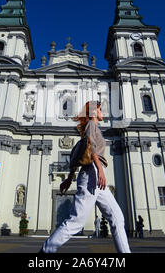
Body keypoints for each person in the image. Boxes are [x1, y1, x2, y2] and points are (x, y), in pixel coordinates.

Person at [40, 101, 131, 253]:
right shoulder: (91, 124)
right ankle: (45, 251)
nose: (103, 112)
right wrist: (100, 170)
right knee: (76, 221)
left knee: (117, 218)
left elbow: (79, 152)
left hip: (94, 175)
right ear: (94, 112)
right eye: (100, 109)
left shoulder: (92, 126)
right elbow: (90, 146)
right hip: (92, 174)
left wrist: (69, 178)